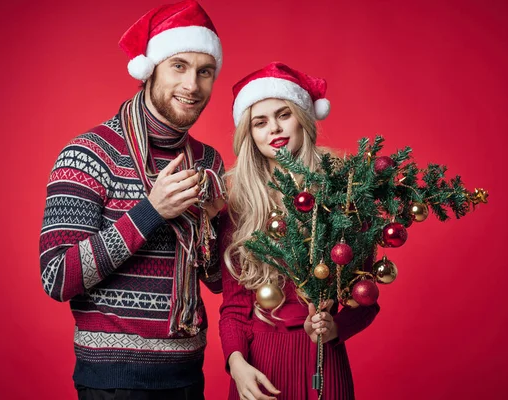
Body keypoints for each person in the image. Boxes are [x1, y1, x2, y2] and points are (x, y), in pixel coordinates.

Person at [39, 1, 226, 399]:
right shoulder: (89, 153)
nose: (192, 85)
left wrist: (218, 223)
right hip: (112, 381)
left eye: (204, 71)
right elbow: (57, 277)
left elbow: (216, 281)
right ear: (150, 69)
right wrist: (150, 212)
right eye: (179, 66)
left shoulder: (209, 162)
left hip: (188, 375)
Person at [218, 62, 381, 400]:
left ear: (302, 117)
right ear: (249, 135)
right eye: (259, 122)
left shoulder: (344, 193)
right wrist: (236, 362)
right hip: (258, 367)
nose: (274, 128)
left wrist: (335, 327)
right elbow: (234, 307)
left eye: (283, 114)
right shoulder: (240, 205)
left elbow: (365, 296)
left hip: (322, 358)